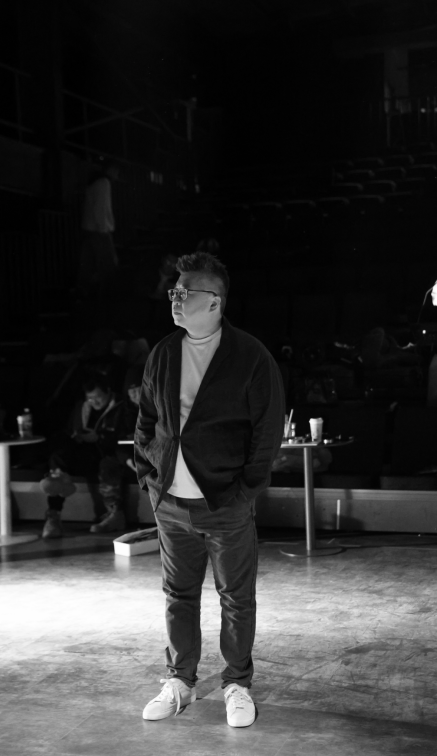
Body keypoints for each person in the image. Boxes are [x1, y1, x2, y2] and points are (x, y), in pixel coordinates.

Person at [135, 251, 284, 727]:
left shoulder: (250, 356)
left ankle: (237, 683)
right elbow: (146, 420)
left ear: (215, 302)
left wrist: (245, 491)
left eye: (185, 292)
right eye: (173, 291)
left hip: (225, 501)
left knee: (236, 598)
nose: (175, 299)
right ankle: (181, 680)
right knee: (177, 595)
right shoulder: (163, 352)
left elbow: (267, 430)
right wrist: (149, 476)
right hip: (170, 501)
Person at [40, 374, 126, 538]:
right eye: (90, 398)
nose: (94, 402)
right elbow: (70, 429)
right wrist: (77, 436)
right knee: (58, 458)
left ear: (108, 392)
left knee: (108, 463)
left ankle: (115, 514)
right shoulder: (83, 407)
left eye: (98, 397)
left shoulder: (121, 407)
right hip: (85, 452)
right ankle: (53, 515)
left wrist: (99, 438)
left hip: (107, 452)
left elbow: (122, 437)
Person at [78, 160, 120, 299]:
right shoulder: (104, 183)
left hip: (89, 229)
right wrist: (104, 230)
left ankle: (87, 296)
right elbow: (101, 209)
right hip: (99, 231)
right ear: (111, 170)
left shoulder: (95, 183)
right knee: (108, 266)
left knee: (88, 266)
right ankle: (105, 297)